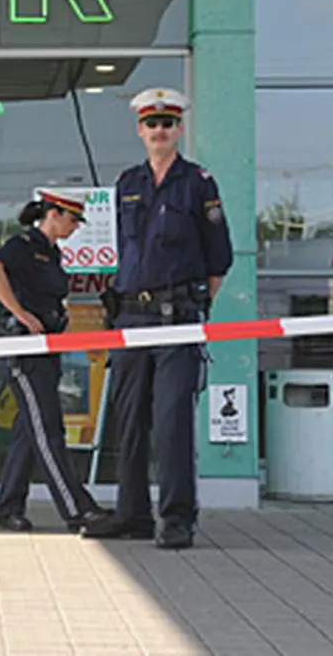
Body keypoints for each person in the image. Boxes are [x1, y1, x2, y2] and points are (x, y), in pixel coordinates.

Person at [83, 87, 233, 550]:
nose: (159, 131)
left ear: (179, 129)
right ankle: (132, 513)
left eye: (167, 123)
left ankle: (176, 517)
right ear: (140, 130)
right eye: (152, 123)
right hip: (131, 318)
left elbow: (218, 261)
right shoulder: (127, 183)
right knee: (128, 420)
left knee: (171, 421)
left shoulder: (198, 182)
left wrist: (192, 308)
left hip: (178, 317)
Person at [0, 190, 111, 533]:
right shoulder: (25, 245)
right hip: (24, 350)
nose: (75, 228)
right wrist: (20, 313)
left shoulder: (52, 253)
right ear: (53, 214)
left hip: (46, 349)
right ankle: (76, 509)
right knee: (49, 431)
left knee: (29, 432)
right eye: (71, 220)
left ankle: (9, 508)